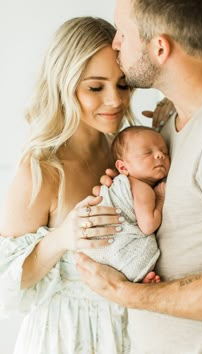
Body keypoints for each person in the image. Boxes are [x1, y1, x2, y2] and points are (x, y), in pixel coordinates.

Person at [75, 1, 202, 353]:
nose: (115, 44)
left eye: (123, 33)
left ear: (159, 47)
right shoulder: (168, 123)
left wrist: (124, 292)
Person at [0, 16, 135, 354]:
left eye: (122, 84)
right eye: (95, 87)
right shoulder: (42, 171)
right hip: (62, 339)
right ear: (65, 83)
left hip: (126, 334)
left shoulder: (122, 153)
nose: (115, 100)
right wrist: (62, 237)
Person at [82, 125, 169, 282]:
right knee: (144, 247)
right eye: (147, 153)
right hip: (117, 248)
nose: (159, 155)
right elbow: (148, 226)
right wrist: (161, 198)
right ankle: (137, 274)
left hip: (96, 251)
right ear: (122, 167)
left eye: (165, 152)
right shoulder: (143, 189)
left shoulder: (120, 183)